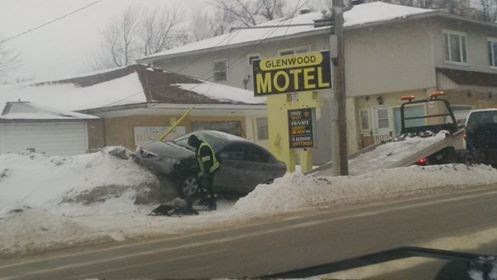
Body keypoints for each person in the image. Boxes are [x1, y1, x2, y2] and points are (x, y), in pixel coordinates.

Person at [187, 134, 220, 210]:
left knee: (208, 187)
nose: (192, 146)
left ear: (194, 142)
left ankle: (212, 204)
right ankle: (205, 201)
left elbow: (206, 162)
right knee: (204, 186)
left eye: (192, 145)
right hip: (207, 169)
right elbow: (200, 160)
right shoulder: (199, 146)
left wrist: (205, 174)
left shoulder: (203, 148)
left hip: (211, 169)